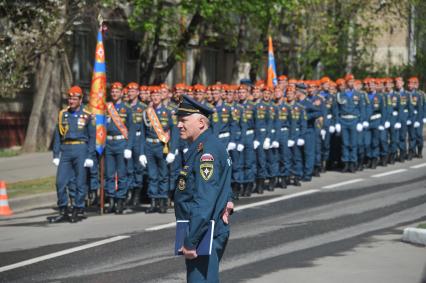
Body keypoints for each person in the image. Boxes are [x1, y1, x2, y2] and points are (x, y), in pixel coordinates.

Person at [174, 94, 233, 283]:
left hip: (203, 233)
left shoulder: (207, 151)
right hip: (204, 229)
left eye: (183, 120)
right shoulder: (205, 146)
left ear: (201, 122)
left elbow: (204, 199)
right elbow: (220, 182)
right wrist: (228, 200)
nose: (179, 125)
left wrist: (191, 241)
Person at [50, 86, 95, 223]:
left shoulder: (87, 116)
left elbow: (92, 138)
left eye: (75, 98)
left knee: (80, 182)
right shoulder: (63, 114)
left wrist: (90, 156)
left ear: (80, 100)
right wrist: (56, 154)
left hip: (81, 149)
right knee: (60, 182)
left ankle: (77, 208)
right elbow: (57, 136)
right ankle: (63, 210)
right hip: (66, 150)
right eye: (70, 98)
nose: (71, 101)